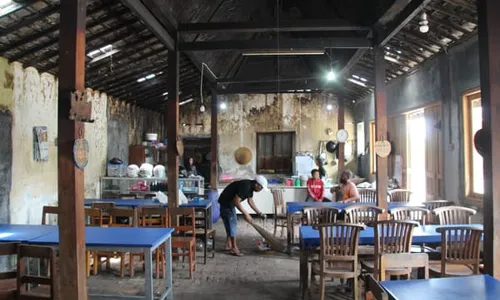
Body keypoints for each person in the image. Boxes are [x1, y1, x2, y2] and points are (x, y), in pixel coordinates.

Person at [218, 175, 269, 256]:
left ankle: (228, 244)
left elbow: (250, 201)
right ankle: (234, 248)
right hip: (226, 203)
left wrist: (259, 213)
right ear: (257, 184)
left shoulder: (250, 186)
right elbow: (236, 201)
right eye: (261, 188)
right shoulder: (246, 186)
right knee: (232, 224)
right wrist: (246, 214)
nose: (261, 190)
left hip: (227, 203)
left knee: (230, 223)